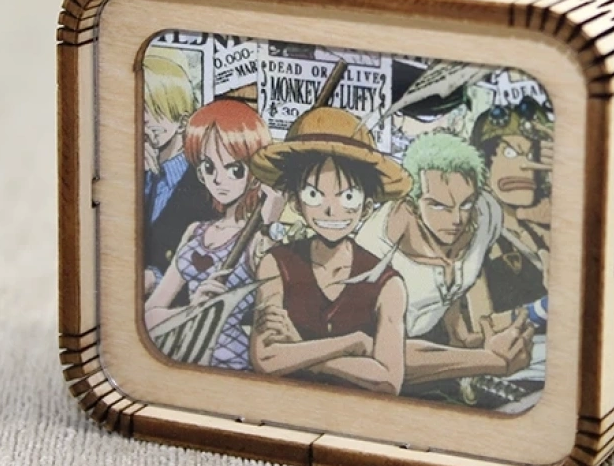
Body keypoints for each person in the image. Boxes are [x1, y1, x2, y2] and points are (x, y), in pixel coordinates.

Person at [248, 107, 411, 395]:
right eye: (314, 194)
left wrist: (300, 348)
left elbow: (388, 379)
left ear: (366, 207)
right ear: (296, 202)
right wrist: (350, 345)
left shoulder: (387, 282)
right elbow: (266, 358)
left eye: (348, 196)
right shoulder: (276, 264)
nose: (330, 210)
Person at [356, 131, 534, 385]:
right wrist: (492, 361)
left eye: (466, 204)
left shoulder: (485, 213)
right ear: (412, 204)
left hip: (441, 345)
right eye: (438, 205)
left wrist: (460, 331)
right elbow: (379, 357)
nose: (456, 219)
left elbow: (467, 272)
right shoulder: (371, 251)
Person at [144, 99, 283, 370]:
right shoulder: (196, 232)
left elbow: (276, 311)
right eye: (208, 167)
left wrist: (270, 225)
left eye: (234, 169)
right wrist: (192, 310)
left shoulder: (258, 240)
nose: (219, 179)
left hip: (235, 365)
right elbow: (149, 315)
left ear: (255, 174)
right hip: (187, 357)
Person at [470, 97, 552, 330]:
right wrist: (542, 310)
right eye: (509, 153)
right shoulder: (474, 237)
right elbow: (480, 325)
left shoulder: (538, 233)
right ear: (483, 167)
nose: (525, 167)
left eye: (531, 155)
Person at [142, 53, 217, 294]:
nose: (143, 119)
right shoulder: (137, 172)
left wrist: (154, 278)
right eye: (137, 106)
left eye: (155, 110)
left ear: (183, 122)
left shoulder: (205, 182)